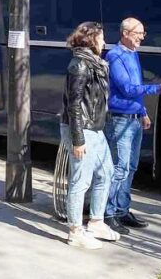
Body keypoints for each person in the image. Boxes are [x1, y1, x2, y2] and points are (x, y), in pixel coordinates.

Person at [104, 17, 161, 235]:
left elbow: (136, 87)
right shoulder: (115, 55)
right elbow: (127, 88)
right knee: (119, 168)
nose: (142, 37)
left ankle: (122, 209)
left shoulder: (133, 54)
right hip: (120, 119)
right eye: (139, 33)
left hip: (134, 118)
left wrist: (143, 112)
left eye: (143, 34)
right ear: (126, 33)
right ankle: (108, 214)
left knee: (131, 167)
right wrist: (157, 89)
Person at [60, 21, 121, 249]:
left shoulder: (95, 64)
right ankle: (75, 231)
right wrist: (78, 139)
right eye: (101, 37)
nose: (104, 42)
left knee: (106, 172)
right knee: (80, 180)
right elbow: (73, 105)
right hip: (82, 128)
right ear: (91, 38)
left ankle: (96, 221)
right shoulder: (80, 66)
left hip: (95, 127)